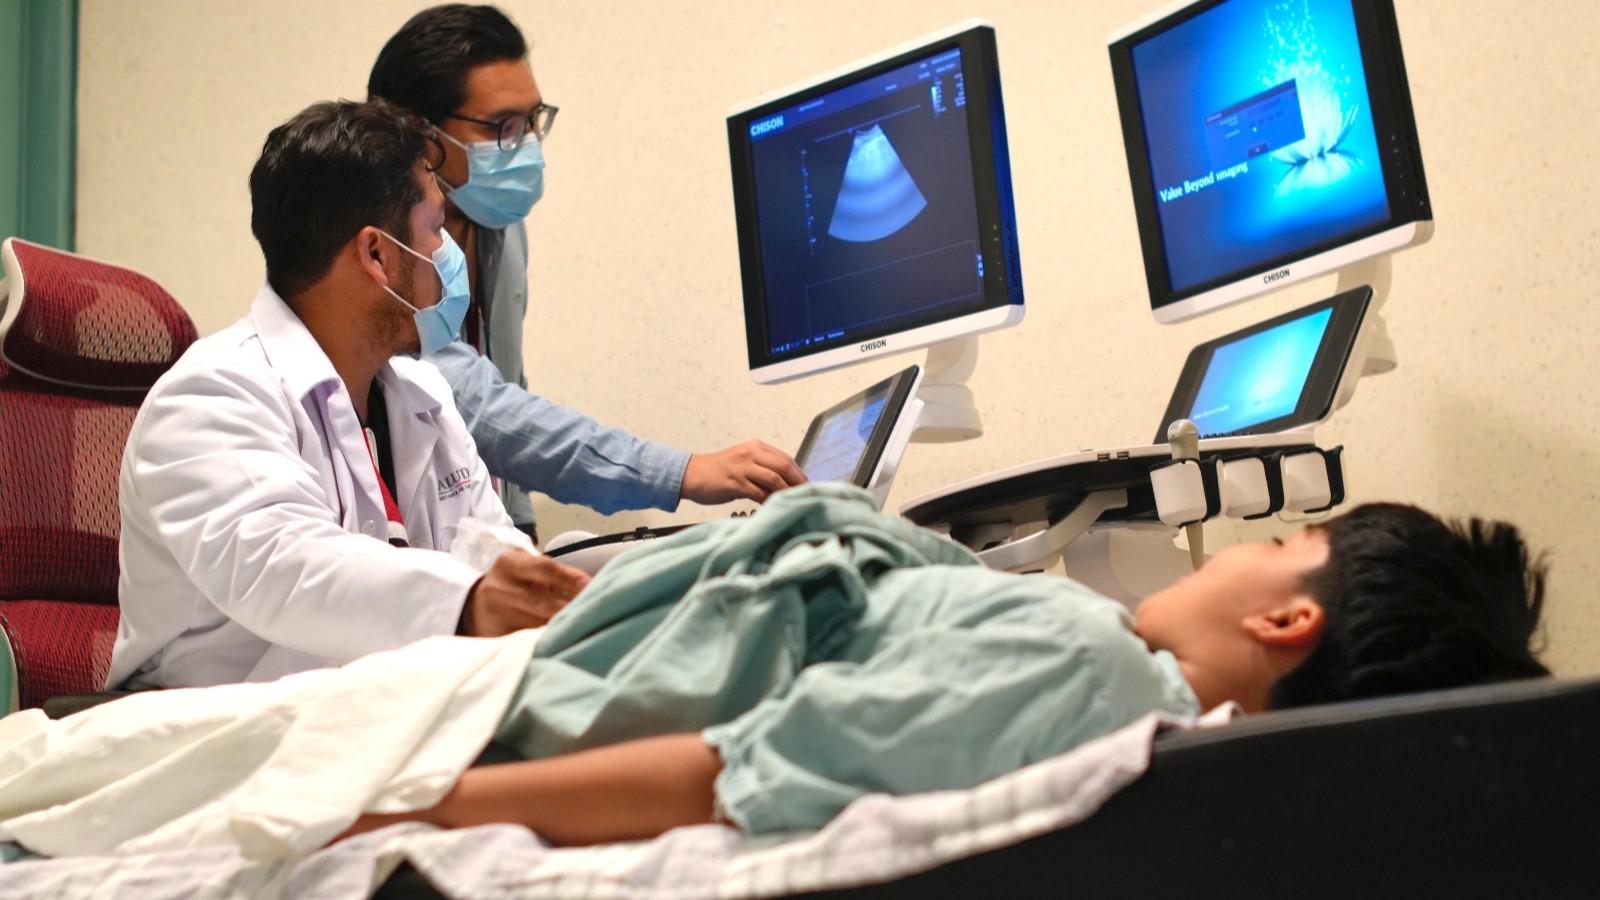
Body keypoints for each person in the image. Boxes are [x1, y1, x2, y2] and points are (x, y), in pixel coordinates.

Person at [334, 486, 1550, 846]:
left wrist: (409, 803)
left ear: (1289, 623)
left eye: (1278, 542)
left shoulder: (1091, 670)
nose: (1240, 544)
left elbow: (725, 773)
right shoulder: (1092, 655)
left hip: (475, 713)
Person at [107, 98, 593, 689]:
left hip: (379, 718)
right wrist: (467, 602)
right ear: (377, 255)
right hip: (219, 742)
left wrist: (577, 587)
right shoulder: (209, 396)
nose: (453, 256)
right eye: (437, 230)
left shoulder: (421, 397)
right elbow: (284, 569)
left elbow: (493, 551)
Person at [367, 4, 805, 540]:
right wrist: (682, 471)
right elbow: (469, 403)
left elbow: (504, 389)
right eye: (503, 126)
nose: (527, 142)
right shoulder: (384, 254)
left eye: (533, 120)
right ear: (422, 134)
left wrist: (520, 531)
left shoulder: (495, 223)